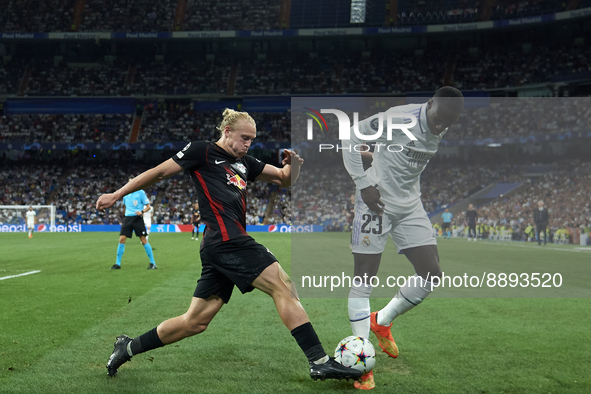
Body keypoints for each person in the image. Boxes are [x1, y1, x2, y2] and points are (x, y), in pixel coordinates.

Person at [96, 108, 361, 382]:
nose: (248, 144)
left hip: (219, 245)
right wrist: (117, 194)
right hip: (227, 240)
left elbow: (284, 179)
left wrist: (295, 165)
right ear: (227, 132)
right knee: (284, 287)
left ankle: (125, 347)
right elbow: (159, 172)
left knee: (195, 321)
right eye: (244, 137)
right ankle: (319, 361)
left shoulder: (246, 163)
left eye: (252, 139)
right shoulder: (203, 151)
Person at [341, 87, 464, 390]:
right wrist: (364, 183)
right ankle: (361, 361)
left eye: (448, 121)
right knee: (364, 278)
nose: (441, 126)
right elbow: (351, 138)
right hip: (375, 202)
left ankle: (381, 321)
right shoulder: (399, 118)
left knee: (431, 274)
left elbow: (398, 152)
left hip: (410, 205)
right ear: (430, 103)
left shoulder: (440, 123)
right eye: (439, 118)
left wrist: (378, 154)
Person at [110, 181, 157, 270]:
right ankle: (117, 264)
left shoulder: (141, 192)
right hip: (127, 219)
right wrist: (125, 214)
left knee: (143, 240)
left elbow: (148, 206)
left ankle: (153, 263)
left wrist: (142, 212)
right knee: (121, 239)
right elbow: (125, 206)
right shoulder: (125, 193)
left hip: (137, 218)